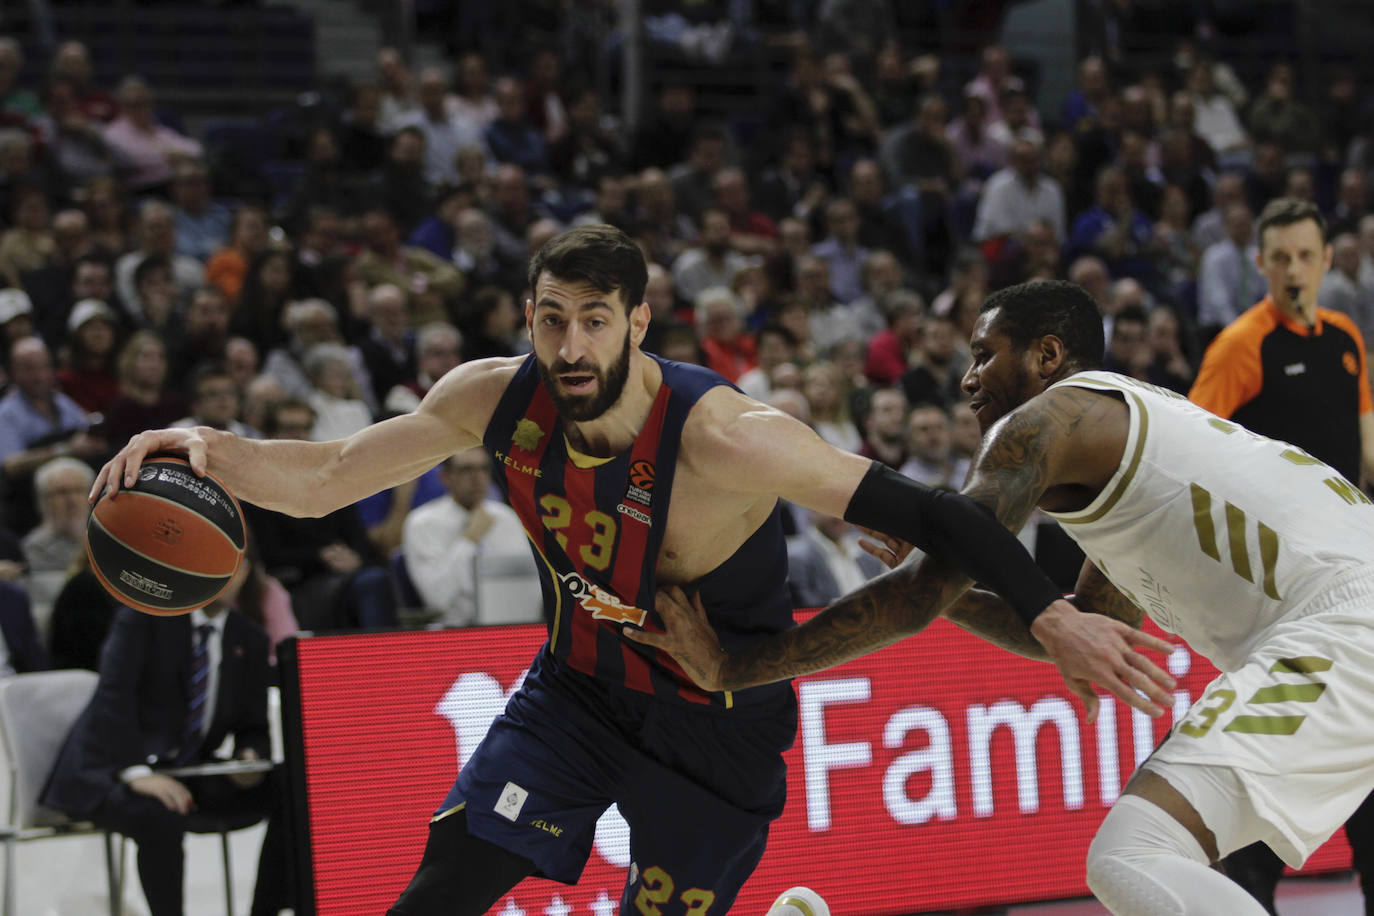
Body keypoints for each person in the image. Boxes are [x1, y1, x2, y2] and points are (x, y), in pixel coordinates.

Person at [92, 226, 1156, 915]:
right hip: (579, 691)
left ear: (638, 322)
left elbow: (934, 515)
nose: (570, 345)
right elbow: (326, 474)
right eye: (551, 318)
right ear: (529, 317)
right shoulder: (489, 396)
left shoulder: (731, 436)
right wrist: (207, 446)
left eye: (594, 320)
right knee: (438, 895)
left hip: (717, 719)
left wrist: (1049, 615)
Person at [639, 277, 1374, 916]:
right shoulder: (1141, 450)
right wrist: (954, 589)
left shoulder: (1049, 421)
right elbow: (1071, 627)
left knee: (1135, 855)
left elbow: (917, 596)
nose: (967, 379)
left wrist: (729, 668)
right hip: (1339, 621)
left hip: (1340, 626)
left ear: (1048, 356)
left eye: (984, 354)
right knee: (1178, 856)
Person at [1189, 197, 1374, 912]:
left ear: (1328, 261)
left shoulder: (1346, 337)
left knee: (1361, 753)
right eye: (1280, 258)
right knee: (1274, 768)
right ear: (1259, 264)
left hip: (1352, 586)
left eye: (1306, 256)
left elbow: (1362, 454)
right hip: (1277, 601)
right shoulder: (1241, 346)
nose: (1294, 270)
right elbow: (1193, 452)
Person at [40, 560, 291, 916]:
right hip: (111, 767)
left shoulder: (249, 637)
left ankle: (265, 911)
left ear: (247, 572)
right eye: (217, 562)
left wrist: (250, 754)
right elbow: (114, 699)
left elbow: (253, 725)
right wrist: (138, 773)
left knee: (290, 786)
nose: (226, 574)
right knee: (160, 812)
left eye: (235, 566)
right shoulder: (143, 617)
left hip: (187, 769)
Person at [400, 450, 541, 626]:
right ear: (445, 477)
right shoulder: (422, 523)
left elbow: (528, 585)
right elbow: (438, 597)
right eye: (466, 470)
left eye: (483, 469)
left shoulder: (506, 518)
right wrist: (469, 540)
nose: (477, 478)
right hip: (452, 630)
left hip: (513, 623)